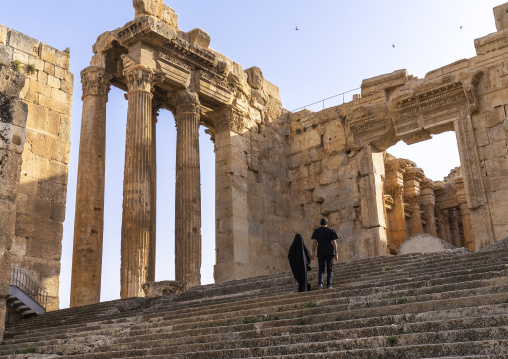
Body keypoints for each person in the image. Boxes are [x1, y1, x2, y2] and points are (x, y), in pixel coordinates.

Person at [311, 217, 338, 289]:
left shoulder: (316, 231)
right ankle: (329, 285)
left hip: (320, 252)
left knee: (321, 269)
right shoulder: (331, 230)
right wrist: (336, 253)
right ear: (327, 223)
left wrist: (313, 252)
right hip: (330, 252)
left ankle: (320, 283)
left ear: (320, 223)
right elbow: (334, 242)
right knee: (329, 269)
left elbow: (314, 242)